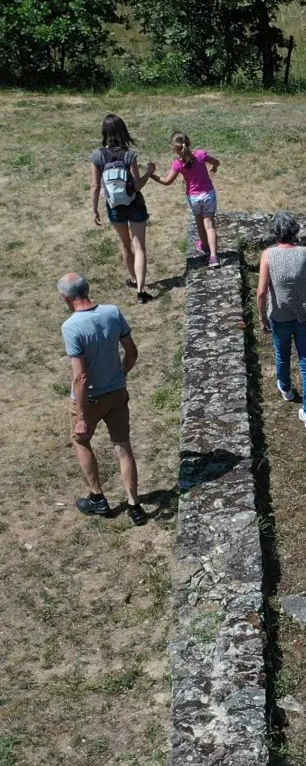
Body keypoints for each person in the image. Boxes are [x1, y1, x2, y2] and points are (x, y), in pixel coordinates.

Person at [58, 272, 147, 526]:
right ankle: (134, 505)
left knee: (81, 440)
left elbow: (81, 377)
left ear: (66, 298)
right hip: (117, 392)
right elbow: (131, 352)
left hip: (91, 398)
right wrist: (121, 374)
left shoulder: (71, 327)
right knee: (123, 446)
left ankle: (97, 498)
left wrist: (83, 416)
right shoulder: (112, 312)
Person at [256, 212, 306, 429]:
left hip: (280, 316)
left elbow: (261, 292)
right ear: (294, 230)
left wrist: (262, 317)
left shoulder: (268, 255)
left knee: (282, 354)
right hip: (305, 316)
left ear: (275, 233)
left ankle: (285, 388)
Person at [90, 114, 154, 304]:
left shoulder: (98, 156)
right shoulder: (129, 155)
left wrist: (94, 210)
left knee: (126, 245)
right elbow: (136, 186)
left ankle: (134, 279)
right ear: (123, 131)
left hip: (115, 207)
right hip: (135, 204)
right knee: (139, 246)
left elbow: (95, 186)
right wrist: (149, 173)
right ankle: (141, 291)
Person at [148, 132, 221, 266]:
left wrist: (152, 176)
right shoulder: (200, 154)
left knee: (199, 222)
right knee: (210, 225)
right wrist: (214, 167)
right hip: (208, 194)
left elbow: (167, 181)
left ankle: (205, 246)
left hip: (193, 197)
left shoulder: (178, 164)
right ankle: (214, 256)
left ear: (173, 148)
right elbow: (216, 162)